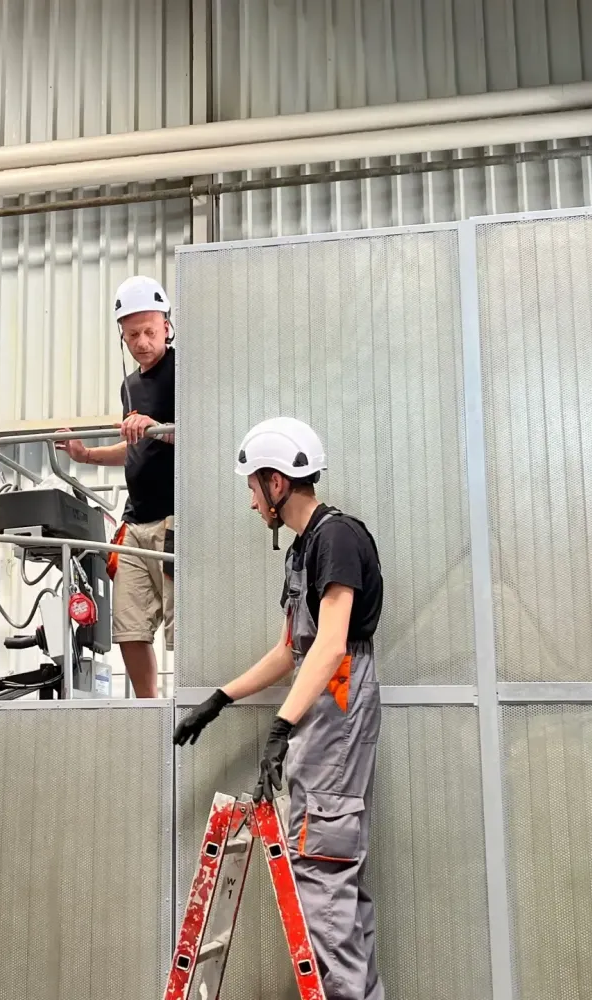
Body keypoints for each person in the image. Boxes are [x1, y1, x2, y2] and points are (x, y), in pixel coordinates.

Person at [173, 416, 384, 1000]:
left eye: (250, 486)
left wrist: (282, 725)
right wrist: (221, 698)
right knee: (333, 875)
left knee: (320, 869)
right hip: (324, 704)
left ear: (276, 481)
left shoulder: (337, 537)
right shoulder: (302, 550)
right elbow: (291, 649)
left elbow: (332, 644)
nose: (250, 502)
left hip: (337, 701)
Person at [56, 275, 175, 698]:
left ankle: (192, 707)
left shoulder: (186, 371)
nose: (142, 342)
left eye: (149, 332)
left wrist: (157, 429)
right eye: (132, 335)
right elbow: (133, 448)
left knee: (184, 626)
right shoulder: (130, 386)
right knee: (129, 627)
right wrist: (86, 456)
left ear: (166, 326)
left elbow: (203, 437)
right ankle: (149, 710)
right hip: (134, 521)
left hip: (175, 519)